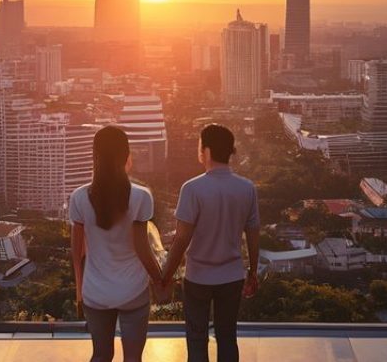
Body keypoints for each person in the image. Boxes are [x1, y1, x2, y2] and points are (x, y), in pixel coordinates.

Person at [161, 124, 260, 362]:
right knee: (227, 338)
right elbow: (253, 233)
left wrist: (164, 276)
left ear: (205, 151)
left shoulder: (193, 189)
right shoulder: (246, 188)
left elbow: (181, 239)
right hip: (232, 276)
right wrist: (253, 272)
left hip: (198, 277)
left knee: (197, 340)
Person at [70, 126, 165, 362]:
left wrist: (80, 292)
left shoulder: (79, 198)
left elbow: (76, 253)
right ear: (126, 156)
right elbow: (143, 250)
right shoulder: (141, 196)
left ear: (95, 157)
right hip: (133, 291)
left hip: (95, 292)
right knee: (133, 358)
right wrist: (160, 279)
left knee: (101, 355)